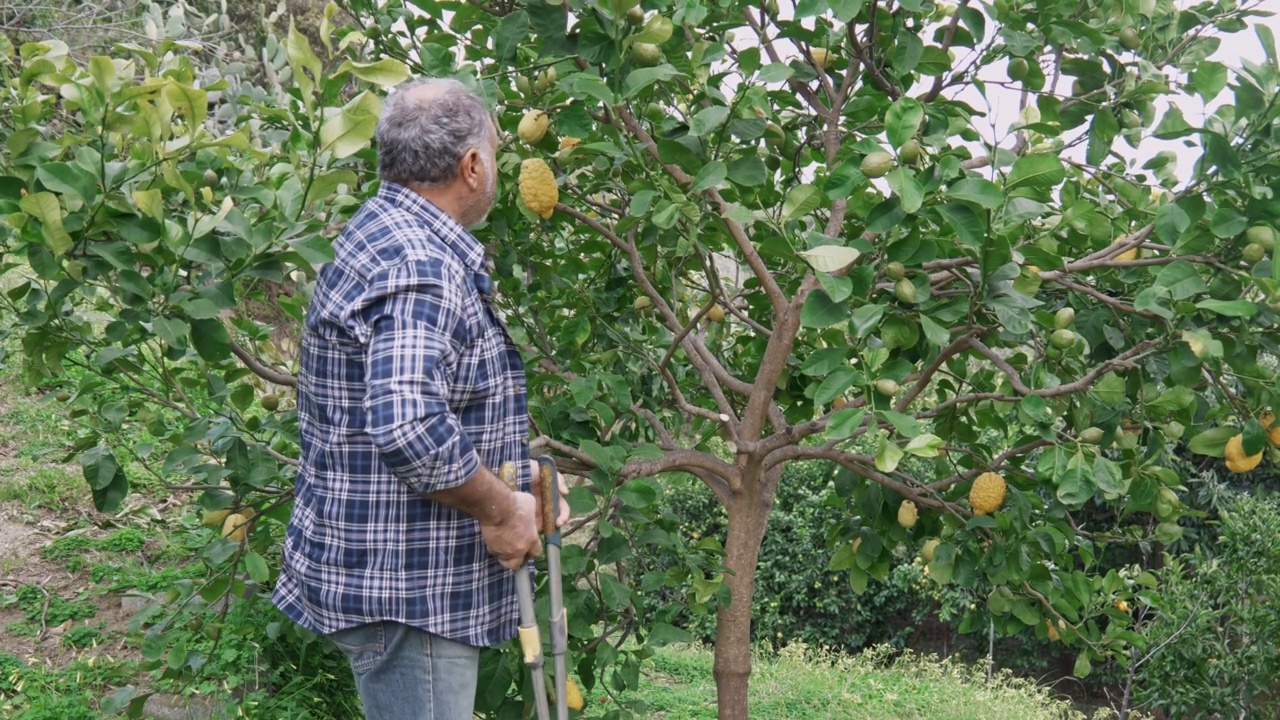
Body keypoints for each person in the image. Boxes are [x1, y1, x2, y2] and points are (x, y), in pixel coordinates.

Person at [273, 77, 568, 720]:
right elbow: (409, 425)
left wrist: (524, 483)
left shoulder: (384, 233)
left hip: (393, 573)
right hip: (410, 591)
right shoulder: (418, 263)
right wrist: (500, 510)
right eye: (492, 152)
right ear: (471, 167)